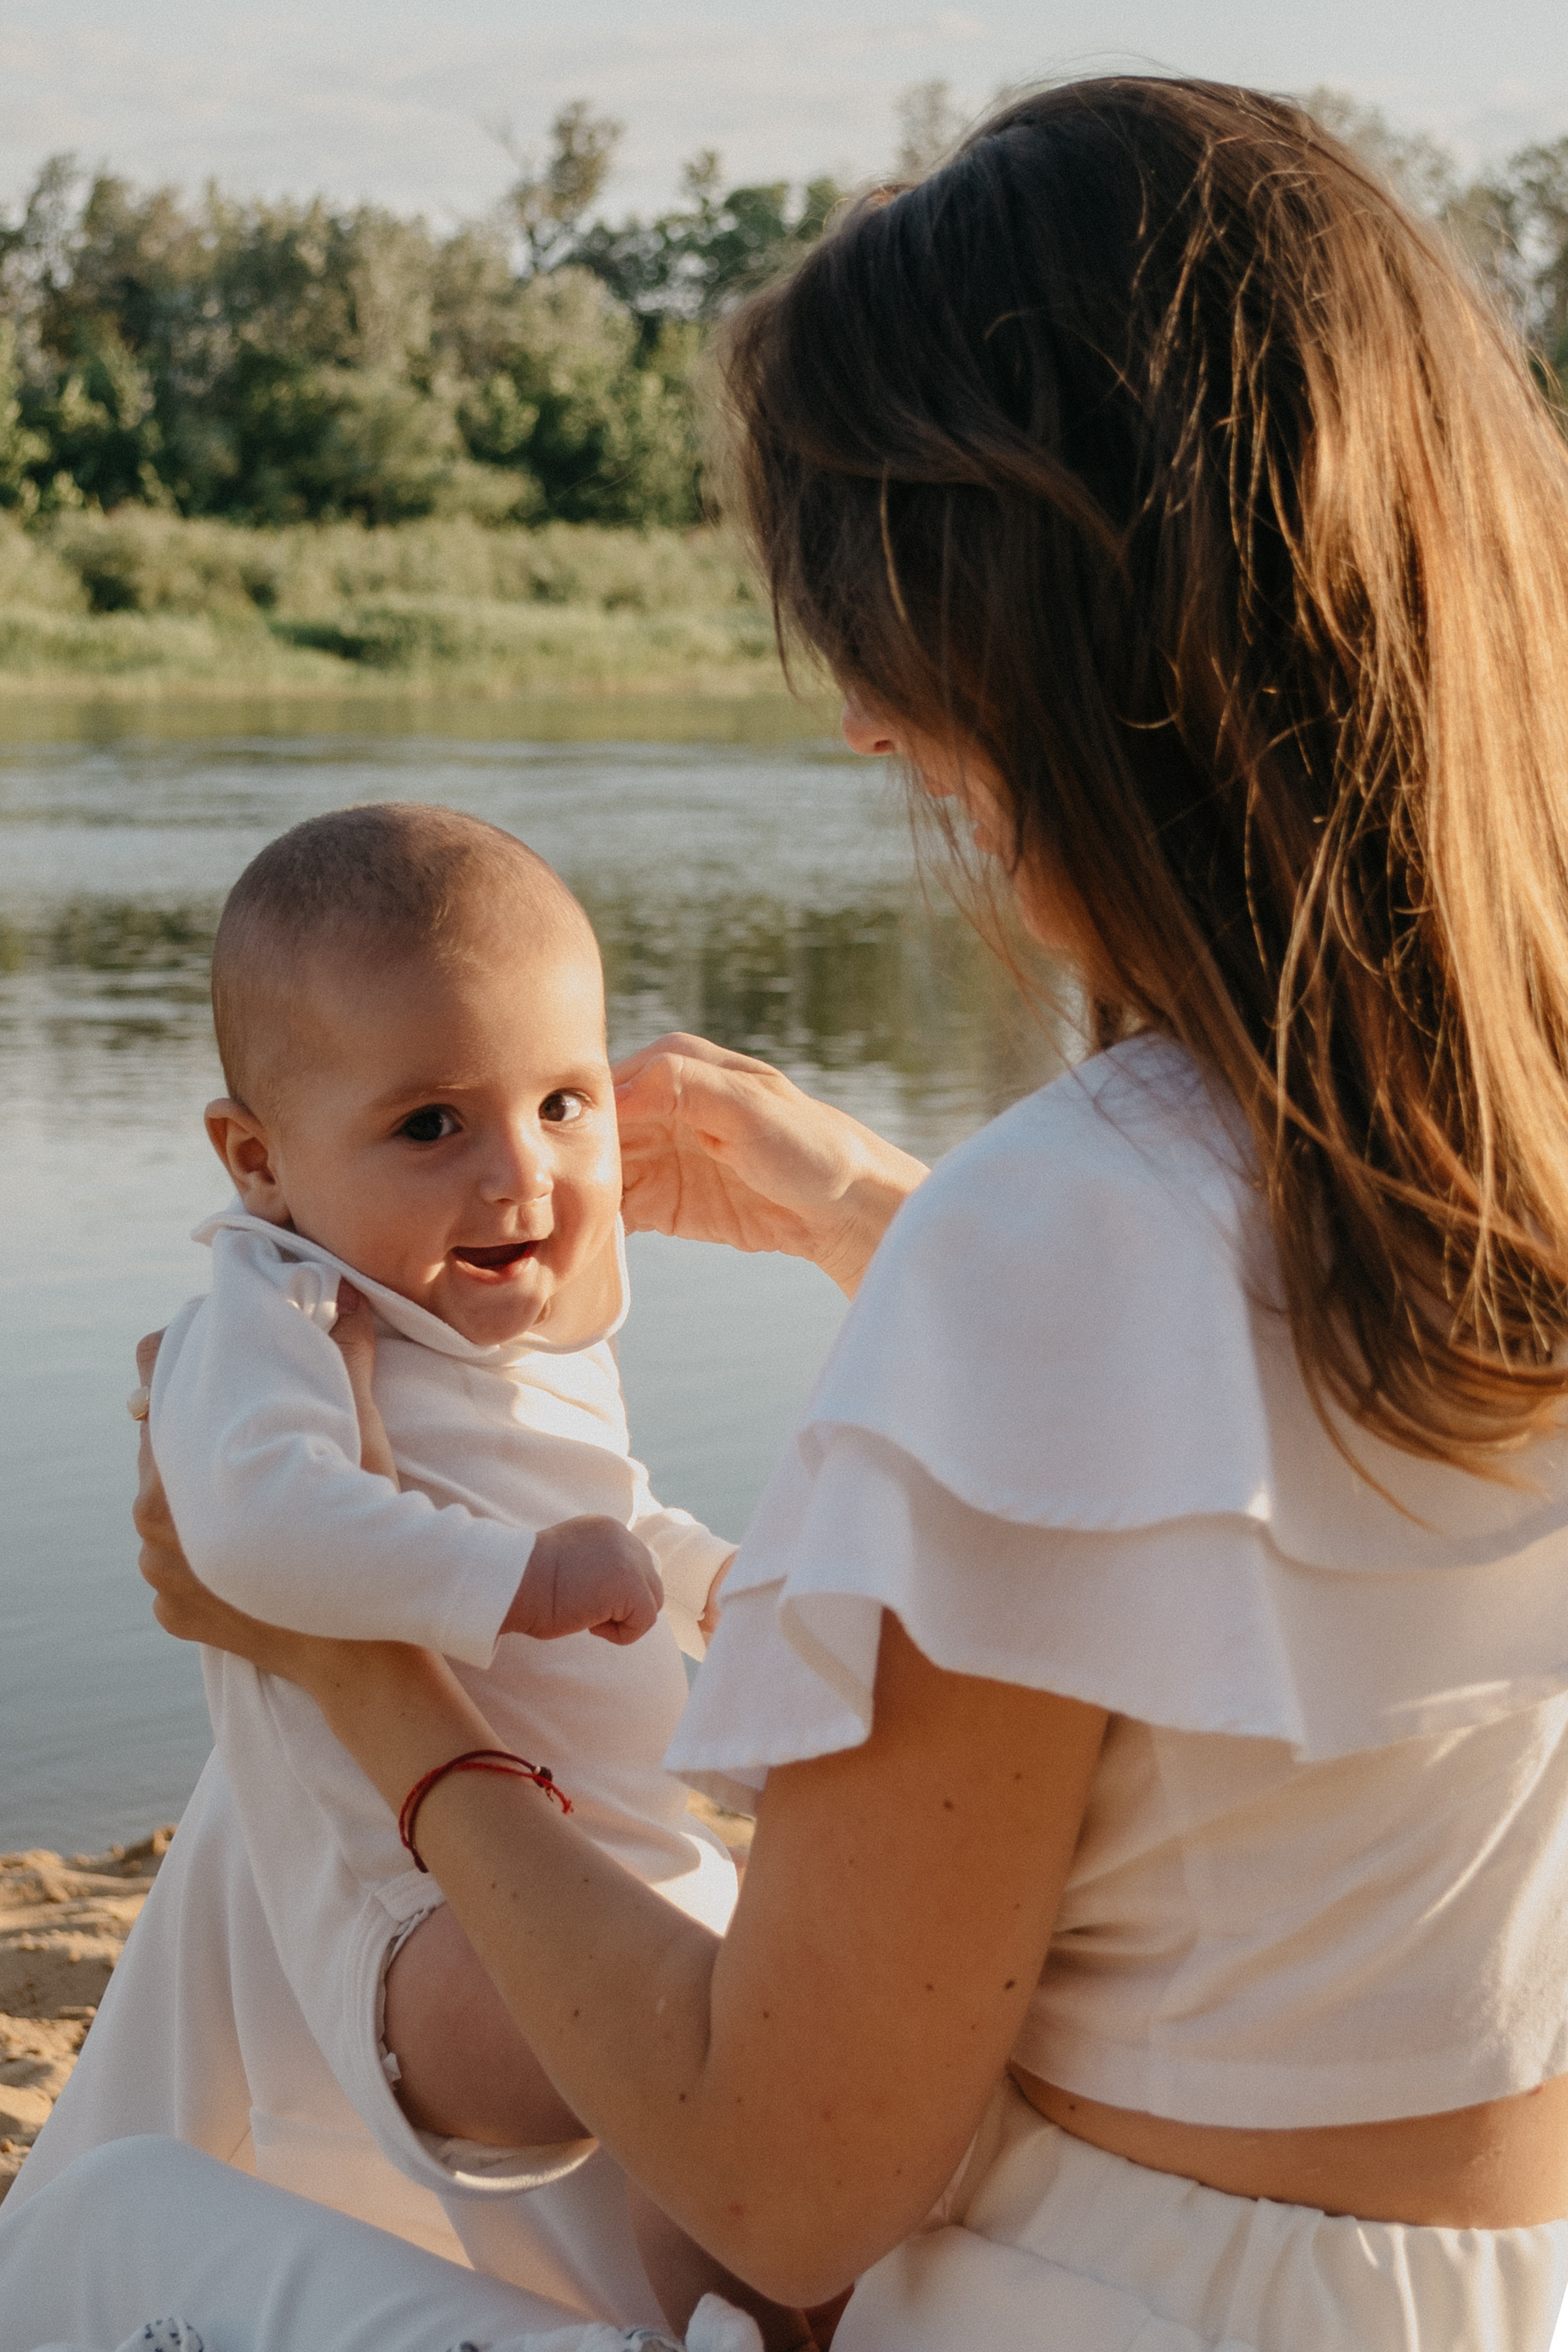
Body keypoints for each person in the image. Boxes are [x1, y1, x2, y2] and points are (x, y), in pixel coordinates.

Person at [8, 69, 1568, 2352]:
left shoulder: (1069, 1237)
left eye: (889, 620)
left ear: (1060, 641)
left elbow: (792, 2182)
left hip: (1109, 2310)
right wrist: (871, 1212)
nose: (861, 724)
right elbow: (1285, 1437)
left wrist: (355, 1667)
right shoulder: (1480, 1153)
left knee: (104, 2228)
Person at [12, 804, 823, 2348]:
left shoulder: (515, 1337)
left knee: (744, 2164)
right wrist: (512, 1578)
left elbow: (611, 1519)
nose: (523, 1175)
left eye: (567, 1104)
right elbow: (251, 1530)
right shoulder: (273, 1314)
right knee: (725, 2076)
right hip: (425, 1910)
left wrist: (713, 1581)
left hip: (609, 1853)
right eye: (431, 1126)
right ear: (260, 1160)